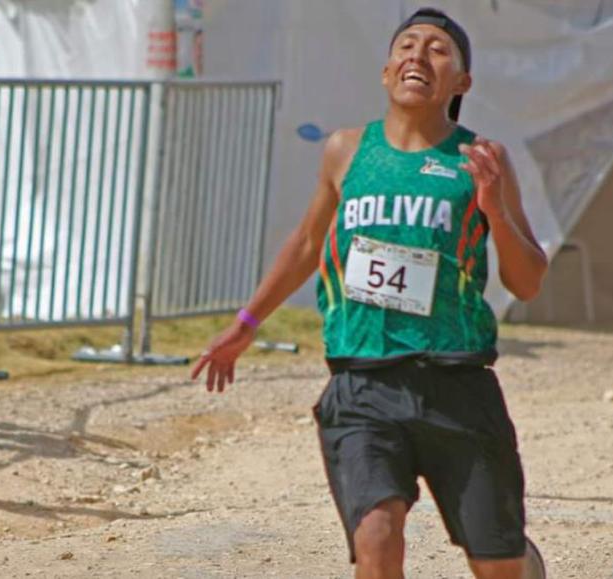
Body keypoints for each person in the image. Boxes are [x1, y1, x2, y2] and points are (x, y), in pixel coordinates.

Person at [191, 8, 548, 579]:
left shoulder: (481, 159)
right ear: (386, 71)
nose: (418, 54)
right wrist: (247, 322)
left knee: (497, 566)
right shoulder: (346, 150)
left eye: (438, 49)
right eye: (406, 44)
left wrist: (495, 210)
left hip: (457, 381)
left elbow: (527, 280)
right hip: (362, 383)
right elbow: (308, 243)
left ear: (462, 82)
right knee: (376, 535)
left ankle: (518, 560)